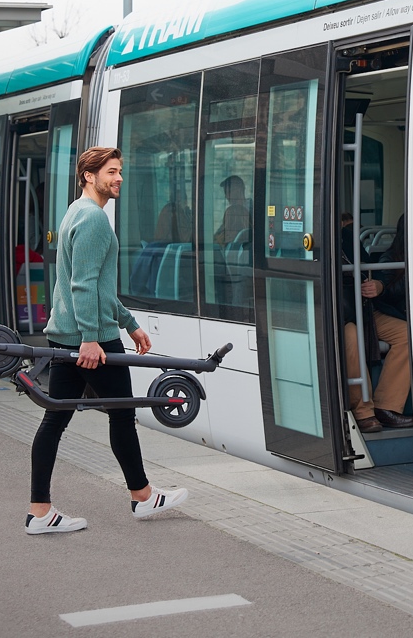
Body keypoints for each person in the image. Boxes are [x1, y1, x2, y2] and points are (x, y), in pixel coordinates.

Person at [27, 145, 188, 535]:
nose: (118, 178)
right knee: (122, 415)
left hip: (73, 336)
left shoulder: (74, 212)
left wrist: (130, 323)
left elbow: (96, 285)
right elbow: (83, 286)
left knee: (55, 420)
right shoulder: (94, 219)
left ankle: (40, 511)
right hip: (92, 340)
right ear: (89, 175)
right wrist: (89, 339)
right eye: (111, 172)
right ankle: (143, 496)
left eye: (119, 172)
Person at [340, 214, 412, 434]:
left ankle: (386, 406)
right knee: (351, 337)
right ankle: (363, 412)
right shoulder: (307, 245)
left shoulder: (346, 239)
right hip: (340, 316)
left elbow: (369, 269)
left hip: (363, 309)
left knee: (407, 335)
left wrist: (378, 285)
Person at [212, 175, 250, 246]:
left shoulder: (251, 210)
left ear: (238, 190)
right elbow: (220, 232)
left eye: (227, 192)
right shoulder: (232, 211)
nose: (226, 196)